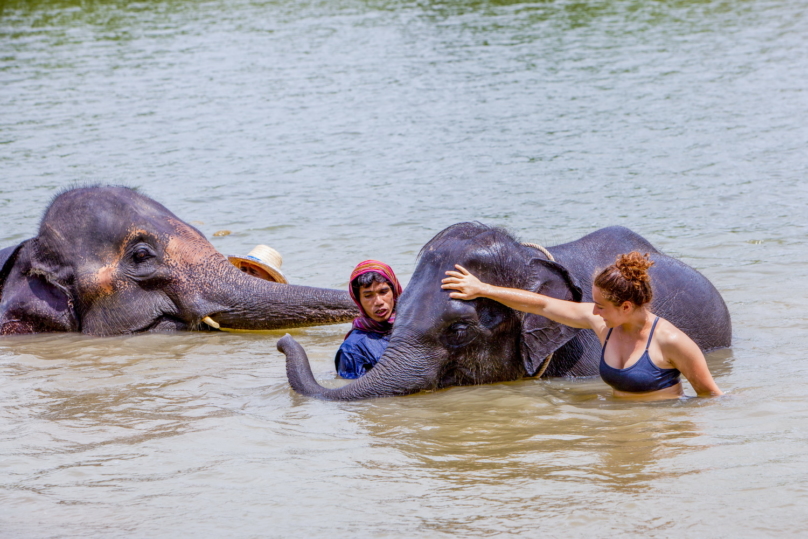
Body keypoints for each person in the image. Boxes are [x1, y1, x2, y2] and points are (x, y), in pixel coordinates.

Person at [441, 251, 723, 399]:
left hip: (661, 435)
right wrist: (483, 289)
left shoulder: (672, 341)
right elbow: (542, 304)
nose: (594, 310)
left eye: (601, 305)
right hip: (621, 431)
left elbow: (710, 396)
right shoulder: (603, 324)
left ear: (626, 307)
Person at [335, 260, 402, 379]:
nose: (378, 302)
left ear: (394, 292)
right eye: (368, 295)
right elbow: (353, 392)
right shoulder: (352, 349)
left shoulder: (414, 325)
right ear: (358, 300)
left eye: (383, 292)